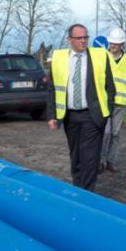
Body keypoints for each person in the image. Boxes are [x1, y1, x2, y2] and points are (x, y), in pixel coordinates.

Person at [48, 24, 116, 191]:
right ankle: (78, 190)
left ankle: (87, 195)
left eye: (86, 37)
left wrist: (106, 112)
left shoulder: (100, 56)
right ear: (69, 39)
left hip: (92, 116)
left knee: (90, 158)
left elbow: (110, 87)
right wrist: (52, 115)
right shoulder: (58, 58)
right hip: (69, 116)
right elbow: (51, 89)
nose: (83, 41)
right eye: (79, 38)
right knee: (76, 156)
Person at [93, 28, 126, 174]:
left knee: (115, 134)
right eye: (112, 42)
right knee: (105, 133)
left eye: (117, 43)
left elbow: (125, 79)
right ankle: (100, 161)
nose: (113, 45)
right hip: (105, 101)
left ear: (122, 44)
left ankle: (111, 161)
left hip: (120, 102)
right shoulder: (102, 56)